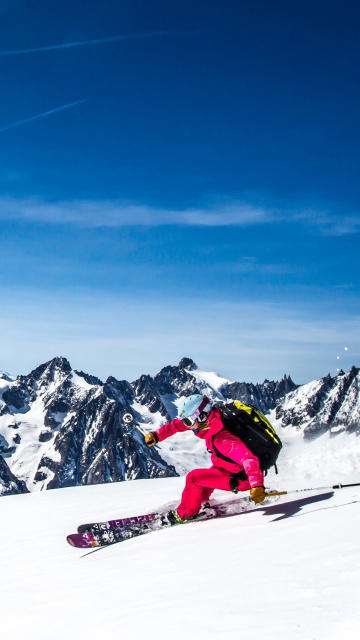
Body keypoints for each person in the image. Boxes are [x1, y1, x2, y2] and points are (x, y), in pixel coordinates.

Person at [145, 394, 266, 523]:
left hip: (241, 478)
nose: (187, 426)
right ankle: (200, 504)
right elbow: (176, 425)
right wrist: (156, 435)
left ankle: (185, 514)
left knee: (194, 478)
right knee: (200, 486)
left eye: (188, 422)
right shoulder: (212, 422)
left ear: (202, 417)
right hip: (227, 467)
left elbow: (248, 459)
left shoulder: (223, 439)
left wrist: (256, 484)